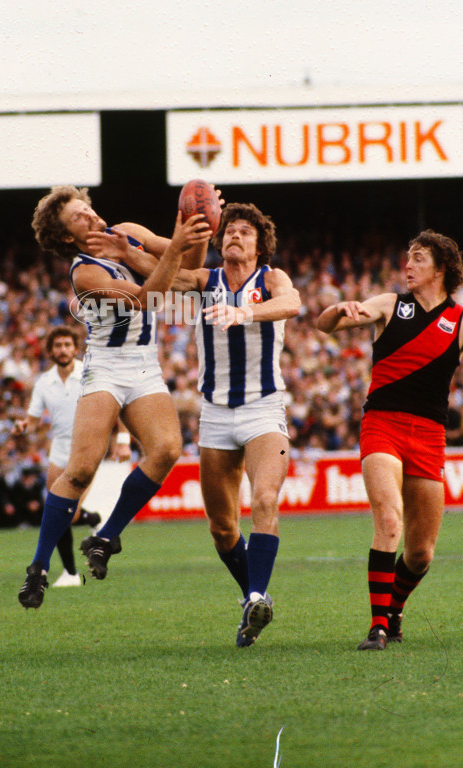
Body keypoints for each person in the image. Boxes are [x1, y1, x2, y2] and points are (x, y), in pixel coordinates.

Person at [92, 202, 301, 647]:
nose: (234, 237)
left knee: (264, 499)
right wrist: (125, 250)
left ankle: (259, 593)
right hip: (216, 416)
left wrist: (244, 313)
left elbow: (293, 303)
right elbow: (166, 273)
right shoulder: (208, 282)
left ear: (260, 245)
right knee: (222, 528)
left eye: (245, 232)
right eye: (229, 231)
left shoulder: (272, 279)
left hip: (264, 410)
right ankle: (252, 602)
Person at [17, 184, 211, 609]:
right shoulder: (83, 271)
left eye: (87, 207)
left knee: (166, 450)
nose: (90, 215)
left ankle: (105, 536)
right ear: (68, 236)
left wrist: (200, 230)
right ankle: (38, 567)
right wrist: (172, 246)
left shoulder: (128, 231)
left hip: (143, 363)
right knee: (82, 469)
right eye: (78, 217)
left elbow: (192, 269)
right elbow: (147, 299)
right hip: (104, 365)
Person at [316, 229, 463, 650]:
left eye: (418, 258)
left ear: (441, 269)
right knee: (389, 522)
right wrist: (336, 310)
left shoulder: (458, 320)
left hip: (430, 436)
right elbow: (328, 326)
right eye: (408, 257)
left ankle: (394, 608)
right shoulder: (388, 304)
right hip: (382, 425)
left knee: (421, 554)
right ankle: (378, 626)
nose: (408, 264)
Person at [11, 325, 107, 588]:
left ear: (75, 349)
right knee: (55, 508)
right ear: (51, 351)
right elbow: (32, 417)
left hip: (87, 446)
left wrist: (121, 439)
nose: (63, 350)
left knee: (69, 514)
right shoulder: (44, 382)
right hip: (60, 448)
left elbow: (111, 405)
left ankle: (88, 519)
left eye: (67, 345)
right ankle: (71, 573)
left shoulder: (89, 373)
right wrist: (23, 426)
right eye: (58, 346)